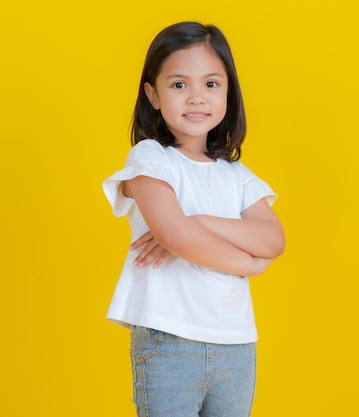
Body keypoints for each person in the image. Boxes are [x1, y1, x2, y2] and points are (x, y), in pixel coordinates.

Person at [103, 21, 285, 417]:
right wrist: (251, 264)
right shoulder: (151, 158)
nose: (196, 98)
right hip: (170, 340)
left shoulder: (237, 174)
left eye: (211, 84)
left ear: (228, 92)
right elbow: (173, 232)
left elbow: (273, 240)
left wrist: (201, 220)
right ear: (152, 94)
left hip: (236, 344)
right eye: (179, 85)